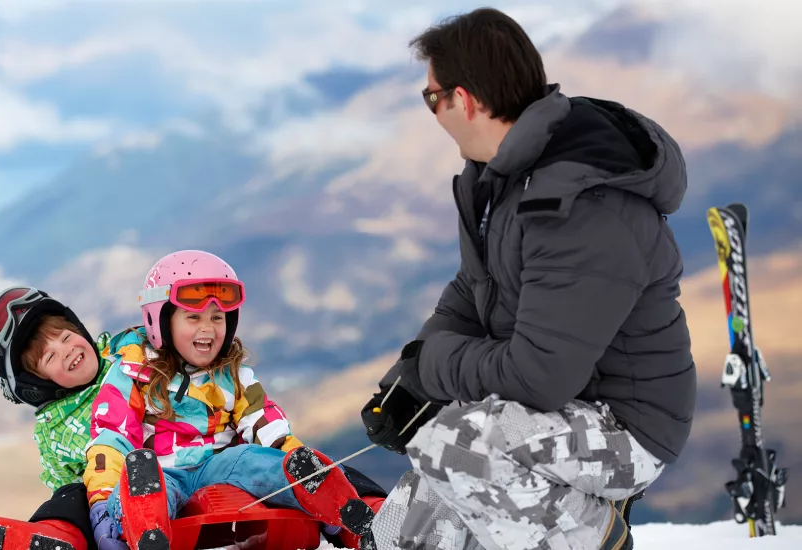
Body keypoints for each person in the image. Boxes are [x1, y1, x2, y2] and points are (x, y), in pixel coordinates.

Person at [359, 7, 697, 550]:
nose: (433, 111)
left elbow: (540, 375)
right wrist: (411, 374)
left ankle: (593, 536)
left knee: (455, 443)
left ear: (463, 100)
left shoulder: (581, 206)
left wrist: (436, 371)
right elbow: (473, 289)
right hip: (555, 407)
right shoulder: (509, 178)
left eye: (431, 98)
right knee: (401, 528)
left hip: (625, 428)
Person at [84, 250, 380, 550]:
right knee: (146, 487)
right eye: (193, 317)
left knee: (254, 461)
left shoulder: (233, 375)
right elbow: (111, 439)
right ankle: (146, 531)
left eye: (217, 317)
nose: (208, 328)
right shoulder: (133, 373)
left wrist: (291, 456)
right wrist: (101, 501)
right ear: (160, 321)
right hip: (162, 473)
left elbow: (265, 425)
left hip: (219, 467)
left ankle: (331, 502)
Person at [0, 286, 117, 550]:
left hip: (167, 465)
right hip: (106, 502)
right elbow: (63, 480)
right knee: (70, 497)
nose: (66, 350)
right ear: (38, 385)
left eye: (66, 338)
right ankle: (53, 537)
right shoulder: (54, 431)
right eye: (50, 356)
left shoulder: (126, 360)